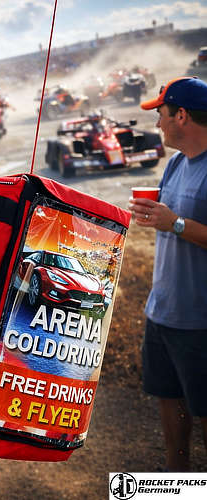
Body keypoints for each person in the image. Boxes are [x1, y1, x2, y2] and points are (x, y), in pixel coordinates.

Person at [130, 76, 207, 472]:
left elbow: (178, 224)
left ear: (181, 115)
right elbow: (169, 220)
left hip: (199, 321)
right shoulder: (175, 163)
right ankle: (180, 488)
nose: (157, 124)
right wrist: (154, 217)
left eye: (160, 114)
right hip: (161, 313)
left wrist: (175, 224)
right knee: (170, 410)